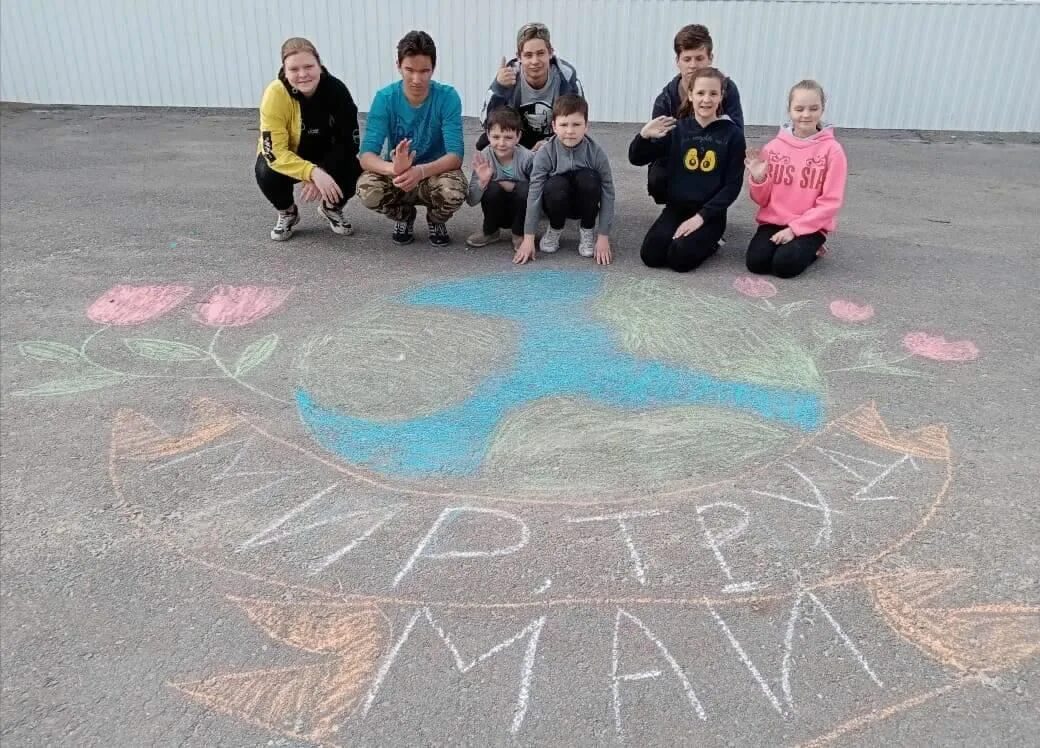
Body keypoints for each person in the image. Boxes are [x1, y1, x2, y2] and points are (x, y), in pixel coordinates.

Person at [629, 67, 746, 273]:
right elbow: (636, 158)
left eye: (713, 93)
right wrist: (644, 136)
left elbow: (732, 185)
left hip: (710, 215)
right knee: (651, 255)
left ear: (721, 97)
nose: (706, 99)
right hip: (676, 209)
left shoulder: (732, 135)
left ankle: (714, 241)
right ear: (691, 95)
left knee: (679, 259)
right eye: (700, 93)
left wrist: (701, 217)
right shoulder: (679, 130)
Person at [355, 31, 466, 246]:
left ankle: (435, 220)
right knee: (367, 188)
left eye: (424, 71)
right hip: (398, 173)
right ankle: (404, 216)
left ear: (434, 67)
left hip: (434, 172)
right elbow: (366, 155)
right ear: (398, 65)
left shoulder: (447, 97)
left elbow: (456, 156)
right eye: (409, 70)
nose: (417, 79)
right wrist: (392, 169)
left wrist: (420, 171)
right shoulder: (385, 98)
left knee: (454, 191)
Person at [254, 37, 361, 241]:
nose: (303, 74)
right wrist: (311, 173)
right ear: (285, 71)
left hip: (325, 154)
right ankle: (288, 212)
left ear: (319, 65)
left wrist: (323, 169)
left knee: (353, 167)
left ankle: (331, 207)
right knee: (265, 169)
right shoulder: (275, 94)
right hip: (290, 154)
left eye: (309, 66)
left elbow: (349, 142)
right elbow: (274, 152)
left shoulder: (337, 91)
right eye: (294, 69)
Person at [744, 80, 848, 278]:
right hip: (774, 221)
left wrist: (794, 230)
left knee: (784, 266)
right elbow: (761, 200)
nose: (806, 115)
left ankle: (815, 249)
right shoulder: (773, 148)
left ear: (822, 109)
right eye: (799, 109)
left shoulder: (832, 151)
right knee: (756, 263)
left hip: (811, 226)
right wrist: (758, 180)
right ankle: (796, 247)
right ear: (789, 110)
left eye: (813, 108)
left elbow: (830, 203)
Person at [647, 25, 744, 205]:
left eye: (699, 58)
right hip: (680, 156)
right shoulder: (666, 99)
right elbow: (656, 145)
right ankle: (676, 208)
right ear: (677, 60)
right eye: (687, 59)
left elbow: (737, 134)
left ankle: (712, 213)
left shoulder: (727, 90)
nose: (693, 65)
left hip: (714, 155)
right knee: (657, 177)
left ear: (710, 58)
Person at [514, 95, 615, 266]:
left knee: (589, 179)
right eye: (563, 124)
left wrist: (603, 237)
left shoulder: (596, 153)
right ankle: (555, 227)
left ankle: (587, 229)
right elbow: (535, 193)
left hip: (583, 204)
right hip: (556, 202)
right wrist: (528, 238)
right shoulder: (545, 153)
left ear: (586, 126)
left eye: (576, 124)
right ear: (554, 126)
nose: (570, 131)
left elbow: (608, 192)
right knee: (555, 184)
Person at [477, 22, 584, 151]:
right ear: (519, 57)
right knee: (484, 143)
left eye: (540, 53)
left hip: (555, 139)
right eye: (528, 55)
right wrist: (498, 88)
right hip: (517, 140)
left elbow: (579, 124)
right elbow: (486, 123)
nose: (535, 61)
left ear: (550, 53)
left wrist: (549, 144)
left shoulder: (566, 78)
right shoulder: (509, 75)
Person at [465, 108, 535, 250]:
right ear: (488, 135)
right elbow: (471, 200)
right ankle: (491, 231)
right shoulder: (484, 157)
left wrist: (509, 185)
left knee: (526, 188)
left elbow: (538, 193)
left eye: (508, 137)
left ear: (518, 136)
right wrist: (482, 183)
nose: (501, 143)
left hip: (521, 211)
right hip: (496, 209)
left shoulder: (527, 158)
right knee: (492, 188)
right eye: (496, 137)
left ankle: (519, 233)